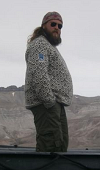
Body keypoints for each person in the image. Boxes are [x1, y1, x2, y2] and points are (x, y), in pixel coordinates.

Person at [25, 11, 73, 152]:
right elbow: (39, 74)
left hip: (54, 104)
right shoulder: (39, 45)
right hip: (46, 105)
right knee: (51, 145)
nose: (57, 27)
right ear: (44, 25)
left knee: (61, 144)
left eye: (60, 26)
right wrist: (49, 101)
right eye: (53, 24)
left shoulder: (48, 46)